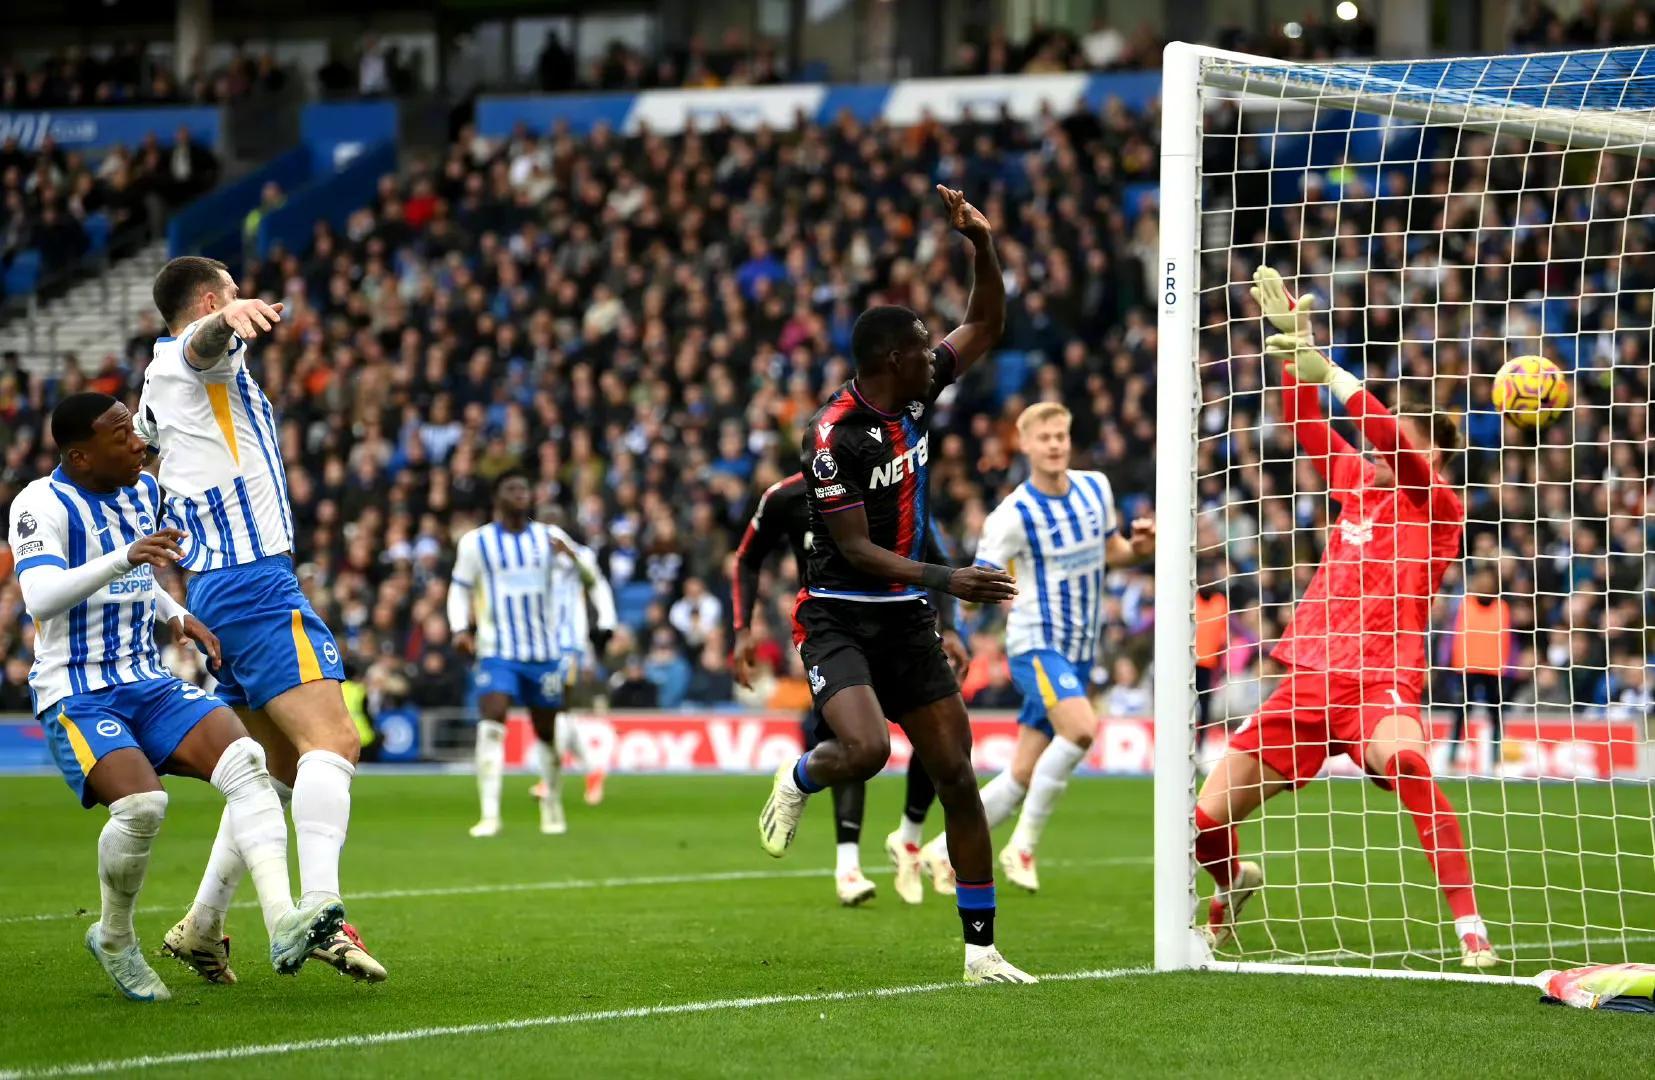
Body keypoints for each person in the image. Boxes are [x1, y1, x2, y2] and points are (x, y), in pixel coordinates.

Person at [755, 186, 1034, 984]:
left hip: (905, 614)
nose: (932, 348)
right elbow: (855, 548)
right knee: (869, 749)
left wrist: (980, 244)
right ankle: (802, 775)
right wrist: (950, 579)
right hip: (839, 614)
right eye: (919, 343)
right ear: (886, 361)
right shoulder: (831, 437)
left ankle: (980, 950)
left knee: (955, 774)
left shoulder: (914, 388)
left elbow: (984, 325)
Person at [1193, 267, 1497, 969]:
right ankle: (1232, 881)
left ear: (1436, 456)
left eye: (1414, 444)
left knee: (1409, 763)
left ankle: (1469, 924)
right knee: (1202, 822)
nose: (1389, 452)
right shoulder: (1356, 481)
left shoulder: (1438, 508)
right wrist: (1294, 344)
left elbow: (1387, 438)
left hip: (1379, 680)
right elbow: (1304, 422)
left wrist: (1326, 368)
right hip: (1308, 677)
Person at [11, 392, 343, 1000]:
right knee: (142, 808)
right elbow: (41, 597)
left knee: (248, 763)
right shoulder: (39, 502)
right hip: (79, 691)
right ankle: (114, 936)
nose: (138, 442)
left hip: (148, 679)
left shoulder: (139, 492)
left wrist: (176, 613)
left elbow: (139, 574)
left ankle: (284, 920)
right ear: (81, 456)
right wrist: (122, 558)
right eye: (121, 435)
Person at [136, 256, 385, 984]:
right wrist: (221, 322)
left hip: (223, 586)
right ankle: (324, 910)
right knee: (335, 741)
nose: (243, 301)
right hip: (253, 583)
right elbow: (199, 347)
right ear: (212, 298)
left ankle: (203, 926)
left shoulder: (159, 387)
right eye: (231, 292)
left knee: (275, 767)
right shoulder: (196, 358)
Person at [919, 401, 1154, 893]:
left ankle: (941, 852)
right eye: (1043, 437)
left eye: (1061, 436)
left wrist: (1140, 548)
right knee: (1082, 731)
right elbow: (981, 577)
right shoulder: (1011, 515)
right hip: (1036, 642)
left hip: (1081, 646)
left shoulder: (1096, 489)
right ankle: (1021, 846)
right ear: (1023, 445)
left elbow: (1113, 551)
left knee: (1023, 771)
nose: (1054, 445)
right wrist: (961, 622)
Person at [730, 471, 963, 907]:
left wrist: (949, 627)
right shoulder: (786, 497)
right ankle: (848, 867)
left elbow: (934, 554)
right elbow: (746, 557)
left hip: (901, 631)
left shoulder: (901, 487)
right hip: (833, 633)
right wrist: (742, 628)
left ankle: (908, 837)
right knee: (856, 744)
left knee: (940, 742)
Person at [449, 470, 615, 836]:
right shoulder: (476, 543)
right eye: (512, 488)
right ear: (497, 496)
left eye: (524, 487)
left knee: (548, 732)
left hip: (544, 653)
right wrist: (460, 629)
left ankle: (552, 803)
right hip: (498, 650)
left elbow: (591, 574)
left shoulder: (549, 537)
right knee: (492, 723)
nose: (521, 493)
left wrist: (574, 557)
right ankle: (490, 815)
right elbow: (459, 588)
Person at [1449, 563, 1511, 773]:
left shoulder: (1502, 607)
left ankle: (1495, 760)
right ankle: (1452, 757)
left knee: (1496, 714)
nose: (1484, 585)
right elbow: (1456, 637)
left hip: (1493, 669)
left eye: (1488, 582)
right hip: (1468, 667)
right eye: (1481, 581)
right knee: (1460, 713)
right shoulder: (1465, 605)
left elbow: (1506, 639)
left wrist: (1505, 666)